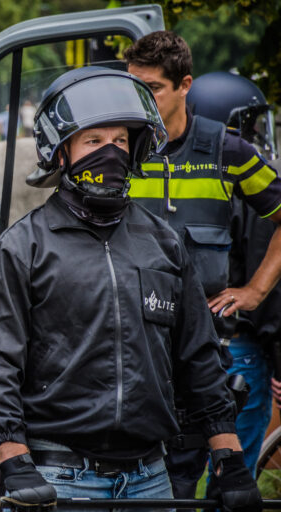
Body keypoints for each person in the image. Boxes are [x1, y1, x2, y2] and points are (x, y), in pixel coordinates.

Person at [0, 66, 262, 511]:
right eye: (94, 141)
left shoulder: (162, 243)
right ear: (61, 153)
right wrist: (14, 460)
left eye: (120, 141)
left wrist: (229, 458)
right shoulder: (24, 246)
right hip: (60, 477)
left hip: (150, 479)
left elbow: (198, 355)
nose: (111, 152)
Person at [125, 31, 281, 500]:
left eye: (152, 87)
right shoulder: (120, 150)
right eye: (134, 87)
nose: (142, 100)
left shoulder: (227, 152)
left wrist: (254, 291)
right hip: (134, 351)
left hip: (205, 353)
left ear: (184, 84)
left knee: (213, 485)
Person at [188, 70, 280, 475]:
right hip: (240, 345)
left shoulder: (189, 179)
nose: (256, 131)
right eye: (249, 122)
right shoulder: (248, 179)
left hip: (198, 343)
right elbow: (273, 299)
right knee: (234, 476)